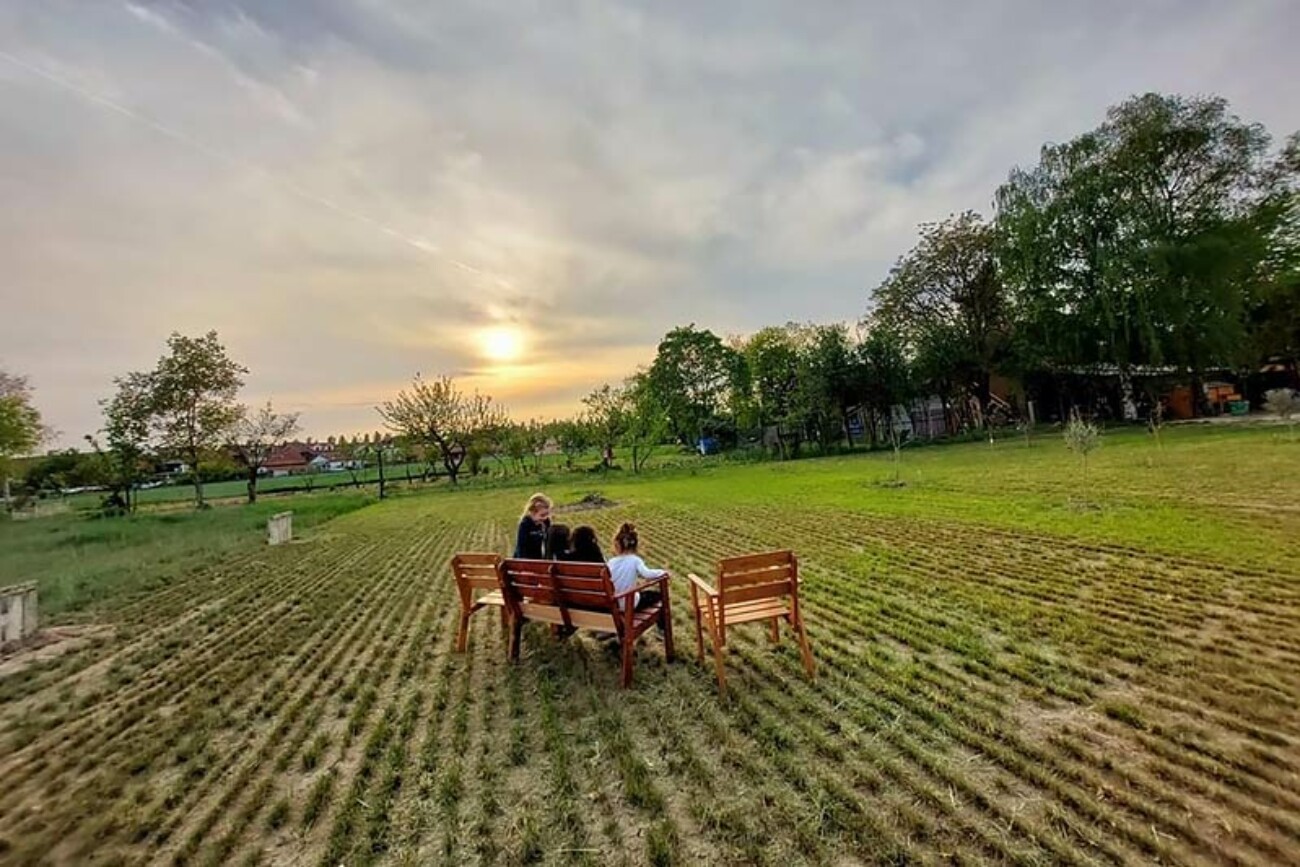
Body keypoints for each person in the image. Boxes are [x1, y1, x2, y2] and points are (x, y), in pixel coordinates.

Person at [607, 522, 667, 611]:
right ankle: (664, 625)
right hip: (629, 604)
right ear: (635, 544)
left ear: (617, 545)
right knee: (658, 596)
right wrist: (663, 572)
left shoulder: (611, 562)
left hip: (614, 604)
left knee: (639, 593)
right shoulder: (635, 560)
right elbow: (647, 574)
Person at [513, 493, 551, 559]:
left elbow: (548, 543)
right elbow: (521, 547)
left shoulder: (546, 522)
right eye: (542, 515)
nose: (545, 517)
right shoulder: (525, 524)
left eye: (547, 514)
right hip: (524, 558)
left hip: (538, 557)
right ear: (532, 512)